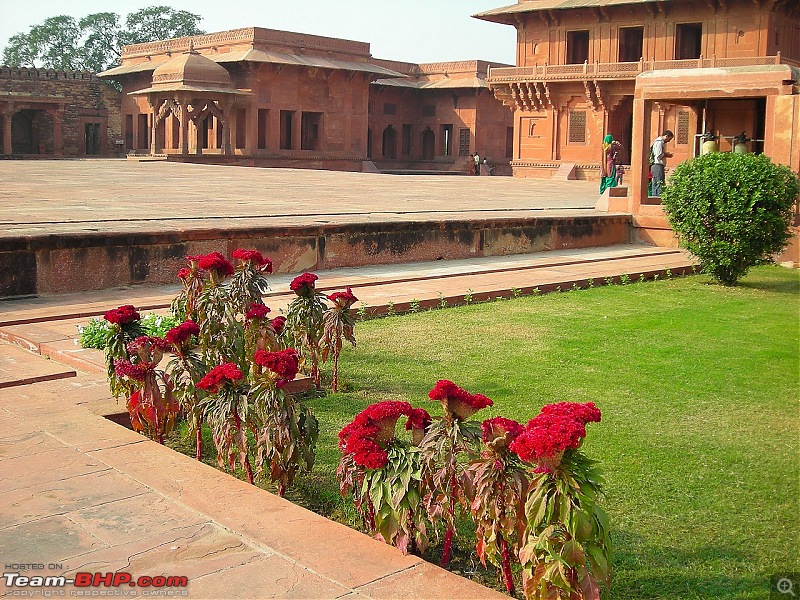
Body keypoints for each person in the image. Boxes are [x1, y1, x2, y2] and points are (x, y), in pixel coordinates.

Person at [650, 130, 674, 197]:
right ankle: (657, 199)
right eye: (669, 139)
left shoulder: (660, 142)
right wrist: (666, 154)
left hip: (657, 165)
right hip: (657, 165)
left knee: (657, 183)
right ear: (666, 136)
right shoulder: (659, 142)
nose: (669, 141)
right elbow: (658, 155)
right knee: (659, 183)